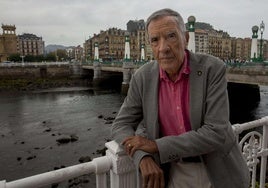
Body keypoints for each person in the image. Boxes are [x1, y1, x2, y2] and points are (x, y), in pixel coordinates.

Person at [112, 8, 250, 188]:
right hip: (173, 171)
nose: (163, 48)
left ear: (185, 38)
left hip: (219, 169)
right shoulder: (142, 77)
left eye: (171, 36)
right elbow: (120, 125)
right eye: (155, 40)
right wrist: (142, 157)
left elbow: (216, 132)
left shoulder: (212, 69)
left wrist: (155, 146)